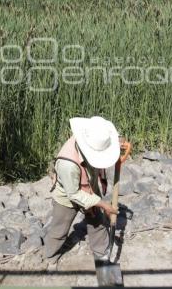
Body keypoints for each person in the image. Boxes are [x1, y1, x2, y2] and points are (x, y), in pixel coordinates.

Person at [44, 116, 121, 271]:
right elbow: (74, 194)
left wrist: (115, 146)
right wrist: (103, 204)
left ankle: (102, 253)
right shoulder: (67, 163)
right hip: (67, 196)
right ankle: (51, 256)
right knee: (60, 228)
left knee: (97, 221)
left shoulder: (92, 136)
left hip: (88, 185)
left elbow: (108, 140)